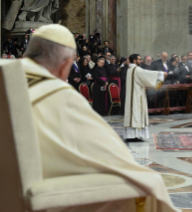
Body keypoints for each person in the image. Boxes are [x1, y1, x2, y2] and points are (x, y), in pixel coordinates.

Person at [23, 24, 174, 212]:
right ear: (65, 64)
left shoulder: (8, 80)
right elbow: (112, 153)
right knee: (149, 183)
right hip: (42, 195)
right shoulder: (62, 96)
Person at [124, 54, 167, 141]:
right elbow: (147, 74)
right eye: (139, 59)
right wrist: (161, 74)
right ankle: (134, 135)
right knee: (136, 114)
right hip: (136, 96)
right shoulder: (136, 69)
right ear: (134, 60)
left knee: (134, 114)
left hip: (134, 94)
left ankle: (133, 135)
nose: (141, 61)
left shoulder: (130, 69)